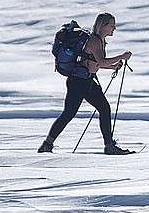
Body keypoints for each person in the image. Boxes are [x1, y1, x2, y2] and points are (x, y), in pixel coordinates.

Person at [38, 12, 134, 155]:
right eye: (112, 25)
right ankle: (46, 144)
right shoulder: (95, 41)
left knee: (104, 108)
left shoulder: (99, 40)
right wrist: (121, 56)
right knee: (69, 113)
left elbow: (94, 62)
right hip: (78, 82)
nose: (114, 28)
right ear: (103, 26)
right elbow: (100, 61)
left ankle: (109, 145)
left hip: (86, 80)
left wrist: (112, 66)